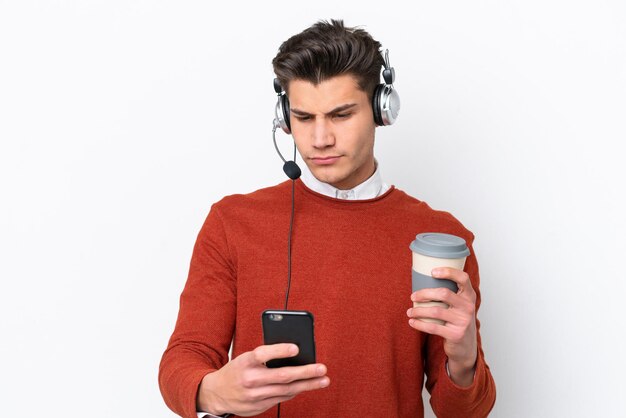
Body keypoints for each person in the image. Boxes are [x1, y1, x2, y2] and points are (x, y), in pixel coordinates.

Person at [159, 19, 496, 418]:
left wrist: (463, 357)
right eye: (303, 118)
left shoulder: (440, 238)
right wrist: (211, 391)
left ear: (380, 110)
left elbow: (464, 412)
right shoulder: (232, 222)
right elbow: (185, 355)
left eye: (340, 115)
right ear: (285, 118)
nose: (320, 139)